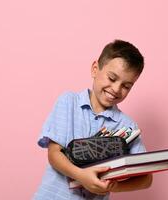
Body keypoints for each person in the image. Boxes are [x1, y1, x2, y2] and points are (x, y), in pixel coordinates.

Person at [33, 39, 152, 200]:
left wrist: (115, 186)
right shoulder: (69, 102)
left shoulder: (127, 126)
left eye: (126, 86)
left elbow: (146, 179)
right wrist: (82, 176)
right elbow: (54, 154)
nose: (116, 89)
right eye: (112, 78)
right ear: (95, 69)